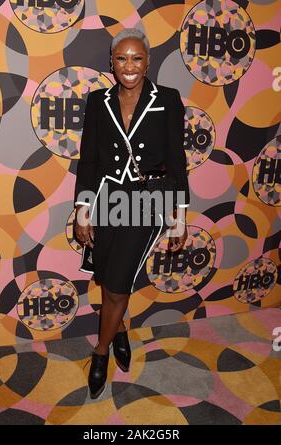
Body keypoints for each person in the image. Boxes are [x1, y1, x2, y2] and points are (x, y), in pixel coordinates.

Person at [74, 28, 190, 399]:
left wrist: (179, 214)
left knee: (117, 283)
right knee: (106, 276)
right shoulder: (98, 101)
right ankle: (119, 329)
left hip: (146, 201)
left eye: (137, 58)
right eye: (121, 58)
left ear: (148, 61)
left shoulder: (167, 99)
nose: (129, 66)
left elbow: (177, 160)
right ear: (111, 61)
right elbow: (89, 159)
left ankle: (100, 351)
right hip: (107, 197)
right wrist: (83, 208)